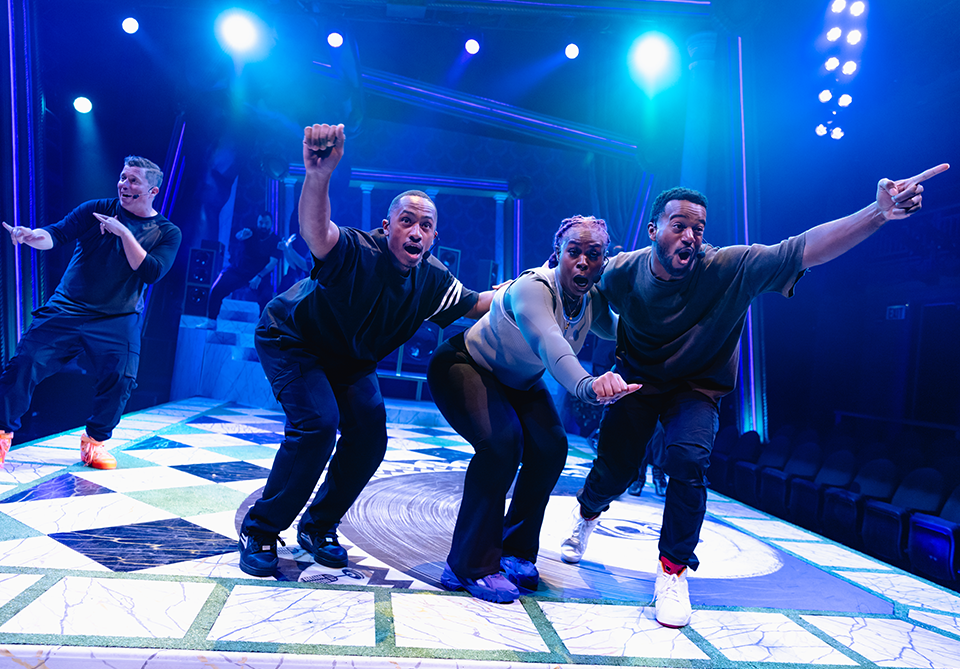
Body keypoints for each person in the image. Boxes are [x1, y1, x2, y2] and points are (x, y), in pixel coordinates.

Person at [561, 163, 950, 628]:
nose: (690, 236)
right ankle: (586, 515)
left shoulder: (728, 267)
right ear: (654, 231)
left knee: (687, 461)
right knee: (615, 470)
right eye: (680, 225)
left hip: (696, 388)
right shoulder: (623, 271)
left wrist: (878, 213)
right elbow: (581, 299)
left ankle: (673, 571)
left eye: (698, 229)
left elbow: (805, 249)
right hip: (638, 380)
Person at [237, 123, 494, 577]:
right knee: (318, 424)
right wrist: (318, 176)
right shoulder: (358, 249)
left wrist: (540, 282)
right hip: (294, 341)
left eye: (426, 225)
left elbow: (476, 304)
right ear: (387, 226)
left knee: (371, 437)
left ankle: (318, 527)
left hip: (350, 362)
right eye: (407, 221)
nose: (416, 230)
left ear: (433, 237)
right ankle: (260, 528)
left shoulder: (433, 278)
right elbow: (317, 233)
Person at [426, 215, 640, 603]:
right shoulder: (533, 288)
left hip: (518, 383)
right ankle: (469, 565)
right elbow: (553, 348)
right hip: (466, 365)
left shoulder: (590, 300)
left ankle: (515, 551)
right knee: (501, 447)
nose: (583, 262)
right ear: (557, 253)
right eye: (574, 252)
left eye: (594, 255)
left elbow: (626, 330)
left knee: (550, 448)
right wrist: (590, 385)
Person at [1, 156, 182, 469]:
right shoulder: (95, 208)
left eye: (134, 181)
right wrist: (33, 236)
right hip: (68, 306)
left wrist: (124, 233)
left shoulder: (167, 232)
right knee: (24, 363)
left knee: (122, 378)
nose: (124, 185)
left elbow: (151, 271)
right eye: (123, 177)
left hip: (117, 317)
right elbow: (56, 234)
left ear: (152, 191)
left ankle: (94, 442)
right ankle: (2, 433)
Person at [206, 211, 281, 321]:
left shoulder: (276, 240)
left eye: (266, 223)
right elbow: (239, 236)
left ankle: (263, 329)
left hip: (259, 275)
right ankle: (211, 321)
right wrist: (241, 235)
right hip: (239, 270)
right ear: (257, 222)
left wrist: (259, 277)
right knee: (217, 288)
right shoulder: (250, 232)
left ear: (271, 223)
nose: (263, 226)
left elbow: (272, 263)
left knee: (267, 300)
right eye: (261, 222)